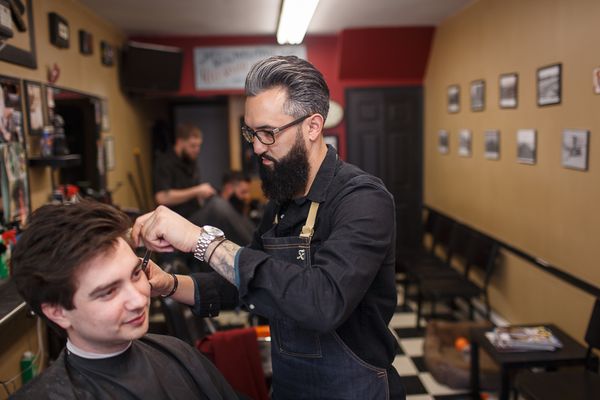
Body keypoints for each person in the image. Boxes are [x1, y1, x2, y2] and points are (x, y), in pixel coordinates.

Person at [134, 55, 404, 399]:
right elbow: (242, 282)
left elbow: (323, 302)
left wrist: (200, 241)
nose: (257, 146)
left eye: (268, 133)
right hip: (290, 385)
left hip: (353, 388)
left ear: (312, 126)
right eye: (251, 132)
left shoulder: (362, 199)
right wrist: (169, 284)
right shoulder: (282, 201)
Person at [10, 200, 240, 399]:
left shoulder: (179, 354)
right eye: (108, 292)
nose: (139, 300)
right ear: (57, 312)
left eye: (136, 274)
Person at [153, 123, 216, 220]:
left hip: (195, 212)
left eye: (199, 146)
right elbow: (161, 197)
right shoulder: (165, 162)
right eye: (193, 146)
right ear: (180, 142)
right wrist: (197, 190)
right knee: (218, 207)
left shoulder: (190, 160)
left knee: (217, 204)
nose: (197, 150)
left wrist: (202, 194)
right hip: (176, 219)